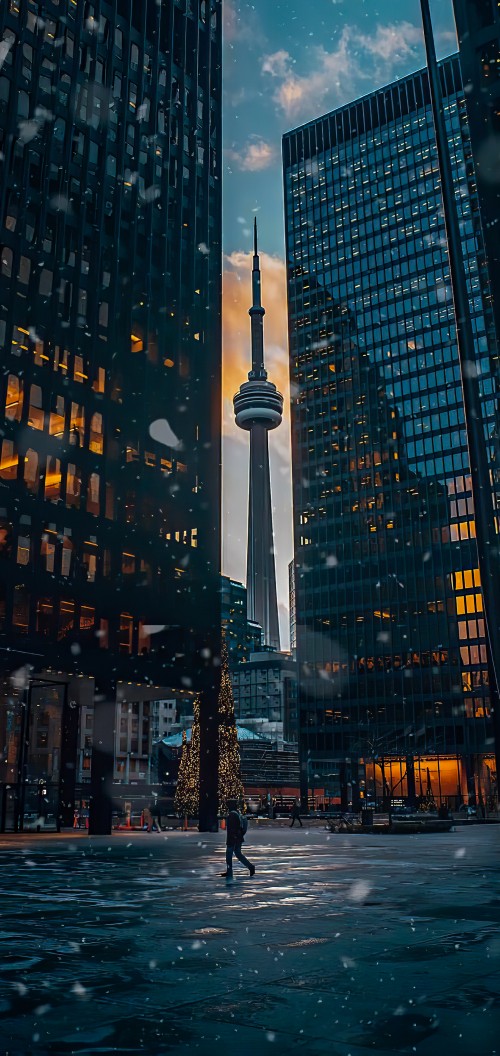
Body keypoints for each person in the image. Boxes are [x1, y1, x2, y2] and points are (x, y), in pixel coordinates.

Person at [220, 799, 255, 880]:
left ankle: (230, 871)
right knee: (238, 854)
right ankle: (250, 866)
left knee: (229, 855)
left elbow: (232, 829)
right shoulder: (237, 813)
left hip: (233, 838)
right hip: (238, 837)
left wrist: (232, 838)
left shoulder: (232, 815)